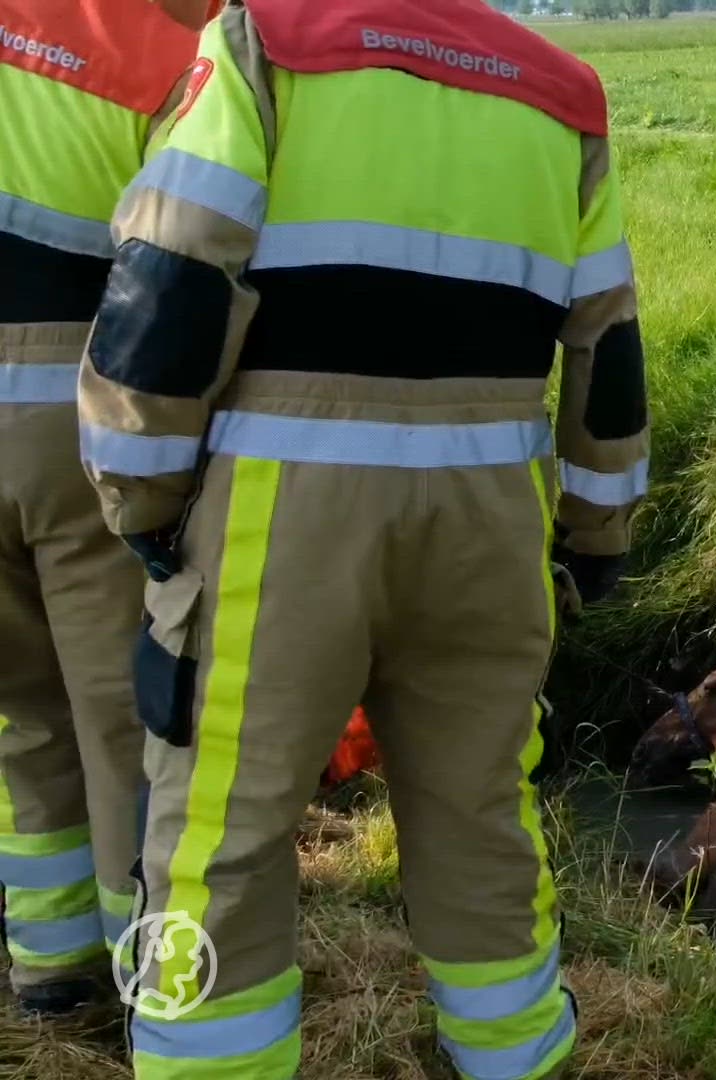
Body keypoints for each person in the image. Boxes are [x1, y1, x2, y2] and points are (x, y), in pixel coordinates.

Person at [74, 0, 647, 1075]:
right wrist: (596, 533)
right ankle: (517, 1056)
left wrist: (140, 503)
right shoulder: (559, 91)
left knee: (220, 836)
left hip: (281, 513)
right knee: (482, 814)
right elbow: (606, 340)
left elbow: (174, 272)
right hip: (490, 514)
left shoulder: (264, 43)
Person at [0, 0, 219, 1018]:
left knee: (20, 716)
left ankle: (48, 976)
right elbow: (183, 269)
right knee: (121, 725)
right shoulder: (160, 52)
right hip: (69, 408)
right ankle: (152, 986)